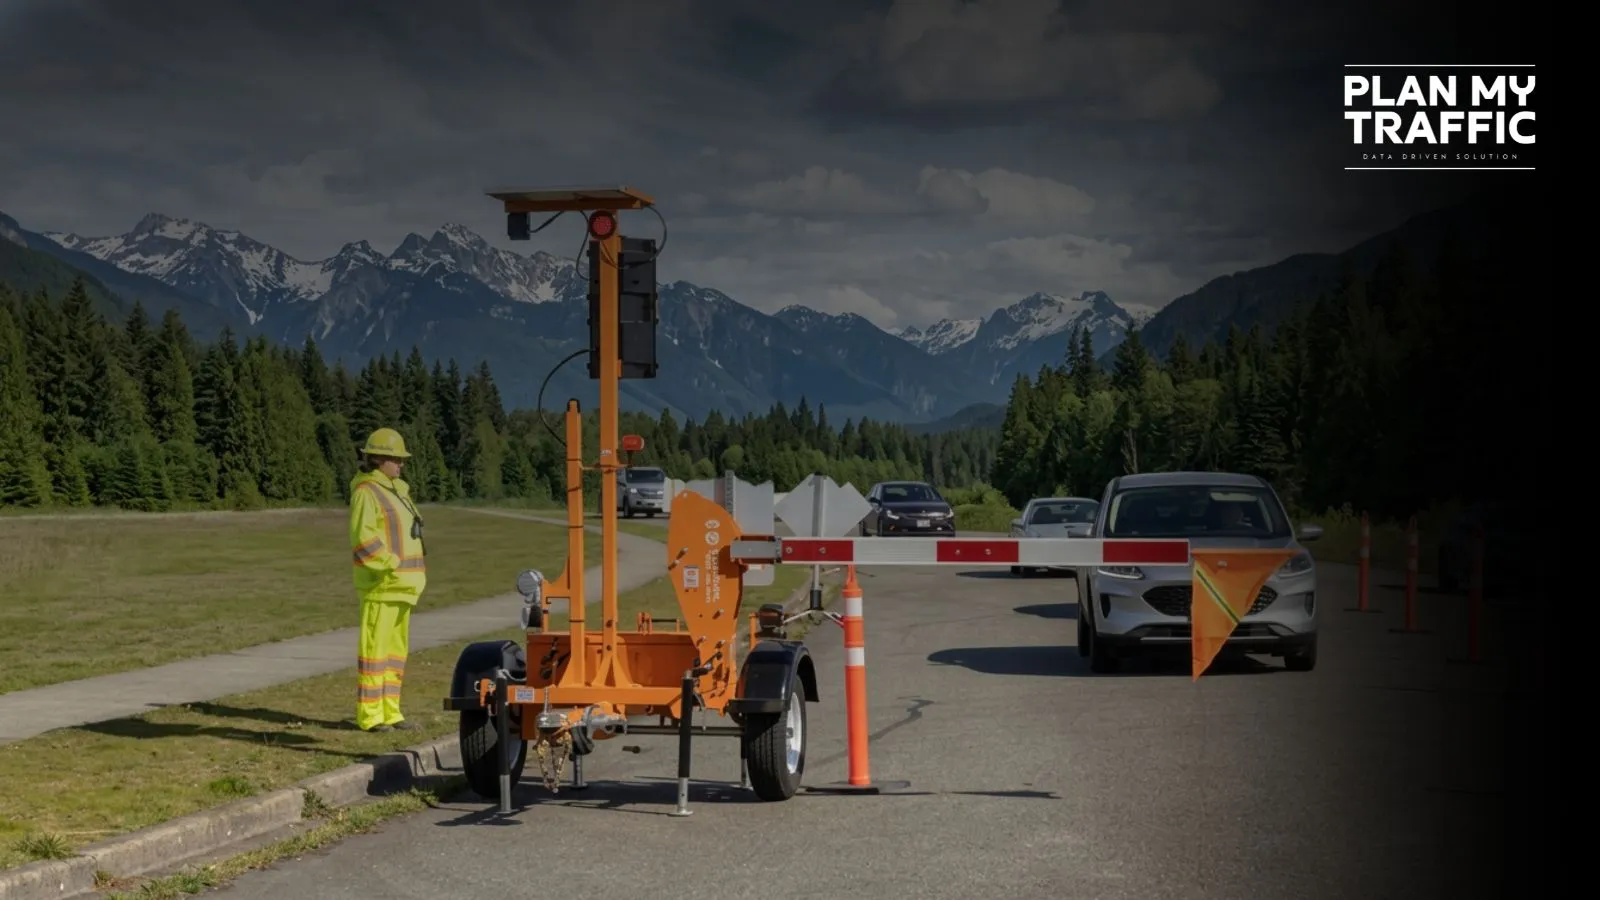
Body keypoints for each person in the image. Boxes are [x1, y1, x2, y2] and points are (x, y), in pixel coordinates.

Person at [349, 427, 427, 732]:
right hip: (381, 586)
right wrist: (390, 564)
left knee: (394, 656)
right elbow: (363, 539)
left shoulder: (398, 491)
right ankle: (370, 717)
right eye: (396, 459)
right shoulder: (367, 492)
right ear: (379, 459)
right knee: (375, 655)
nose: (401, 464)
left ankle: (391, 712)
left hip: (404, 588)